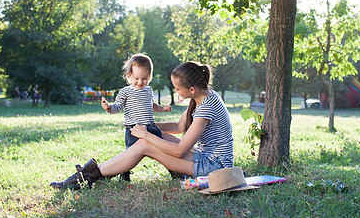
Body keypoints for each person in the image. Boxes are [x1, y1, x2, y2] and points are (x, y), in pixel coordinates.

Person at [50, 61, 234, 190]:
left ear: (191, 89)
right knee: (153, 137)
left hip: (215, 167)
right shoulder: (204, 97)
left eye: (177, 88)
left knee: (145, 144)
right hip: (208, 159)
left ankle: (85, 177)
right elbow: (179, 127)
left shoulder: (206, 107)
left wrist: (146, 135)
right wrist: (149, 127)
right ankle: (92, 173)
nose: (175, 90)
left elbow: (179, 150)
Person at [100, 53, 171, 181]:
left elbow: (151, 105)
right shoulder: (125, 92)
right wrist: (109, 108)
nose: (140, 82)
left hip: (151, 127)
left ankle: (174, 170)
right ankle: (123, 174)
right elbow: (118, 106)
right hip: (134, 129)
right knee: (130, 154)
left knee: (164, 150)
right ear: (129, 75)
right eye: (136, 78)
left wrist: (162, 108)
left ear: (149, 77)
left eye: (144, 78)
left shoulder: (148, 90)